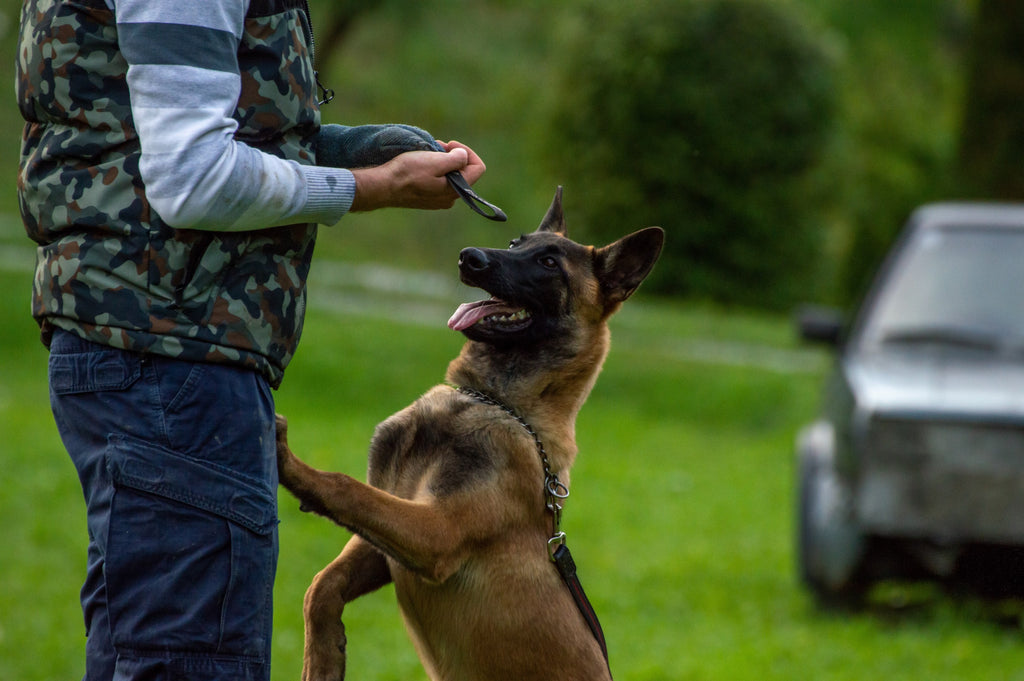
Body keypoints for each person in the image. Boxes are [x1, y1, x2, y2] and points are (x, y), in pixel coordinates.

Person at [16, 1, 487, 680]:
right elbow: (194, 179)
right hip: (177, 360)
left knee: (150, 653)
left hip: (159, 351)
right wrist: (368, 187)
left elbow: (146, 138)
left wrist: (360, 151)